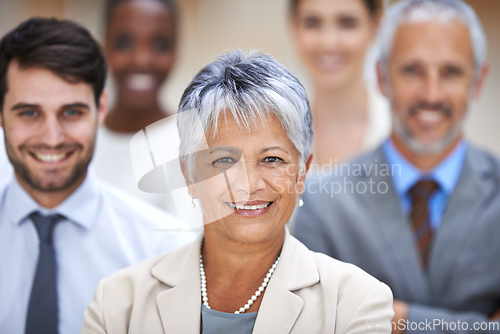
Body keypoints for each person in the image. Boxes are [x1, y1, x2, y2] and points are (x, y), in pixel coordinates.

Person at [82, 50, 394, 333]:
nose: (248, 184)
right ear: (188, 174)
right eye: (225, 160)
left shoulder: (357, 304)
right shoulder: (117, 304)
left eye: (272, 159)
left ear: (302, 173)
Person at [294, 0, 500, 333]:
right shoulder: (323, 204)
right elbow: (314, 325)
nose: (431, 94)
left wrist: (401, 320)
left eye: (451, 72)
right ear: (381, 77)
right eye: (412, 71)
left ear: (478, 80)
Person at [0, 17, 194, 334]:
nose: (51, 137)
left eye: (72, 112)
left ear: (100, 108)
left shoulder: (164, 251)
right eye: (29, 113)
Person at [92, 0, 183, 214]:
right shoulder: (76, 142)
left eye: (160, 45)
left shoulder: (191, 145)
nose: (141, 59)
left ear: (176, 50)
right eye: (123, 43)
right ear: (103, 47)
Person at [290, 0, 391, 165]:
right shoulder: (271, 130)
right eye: (312, 23)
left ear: (376, 26)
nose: (328, 43)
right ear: (294, 26)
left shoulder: (400, 129)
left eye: (347, 23)